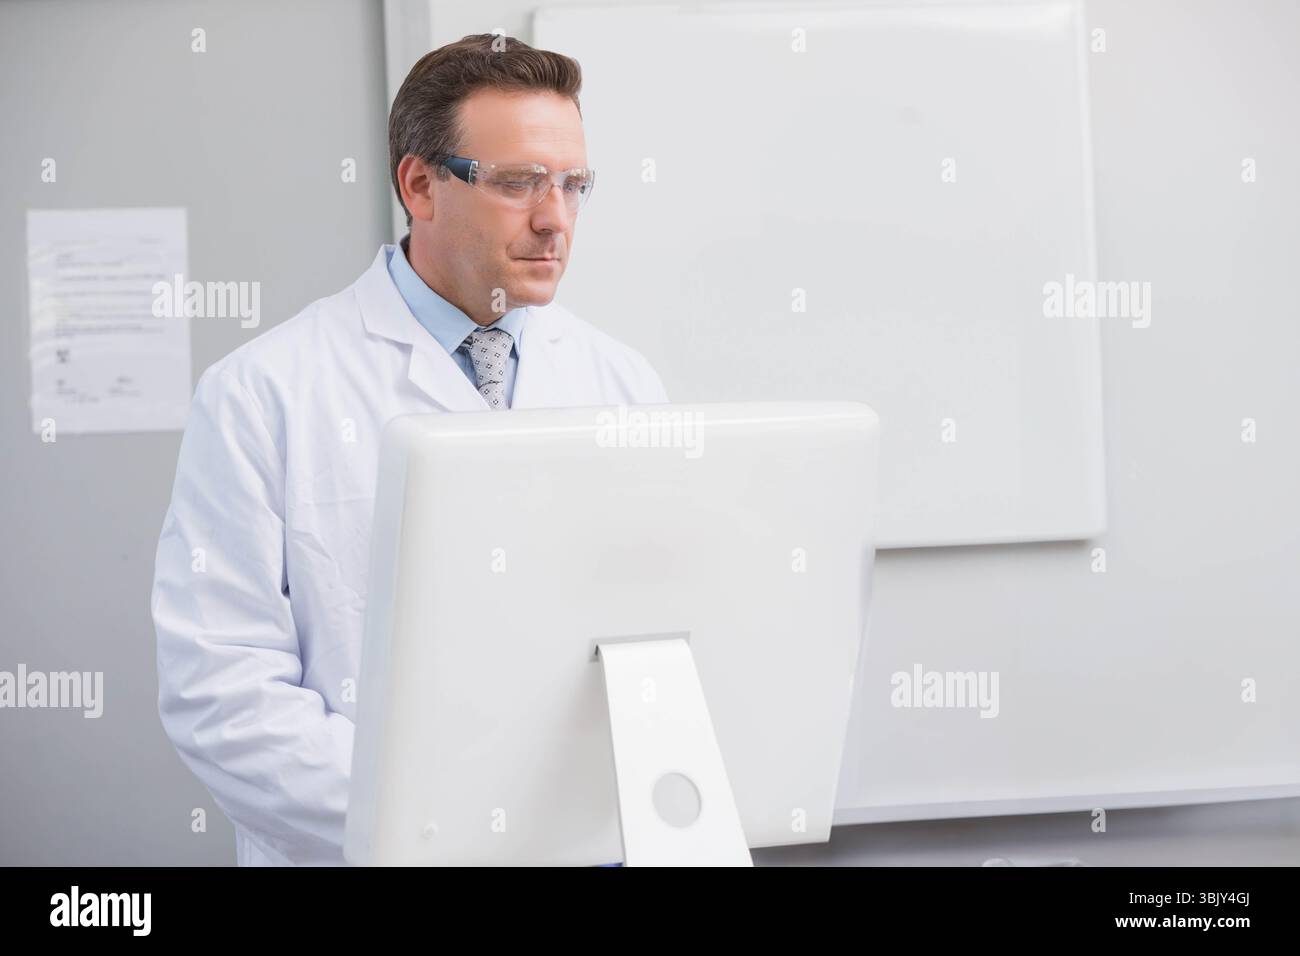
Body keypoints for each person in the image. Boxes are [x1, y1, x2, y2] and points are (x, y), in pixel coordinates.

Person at [151, 33, 666, 866]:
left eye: (574, 184)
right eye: (518, 182)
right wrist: (437, 825)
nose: (555, 219)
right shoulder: (263, 393)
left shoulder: (622, 382)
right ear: (420, 185)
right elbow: (224, 695)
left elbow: (659, 634)